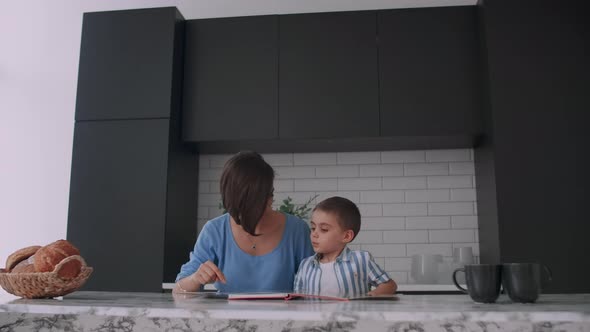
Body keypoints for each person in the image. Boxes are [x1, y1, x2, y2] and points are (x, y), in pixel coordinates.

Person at [174, 151, 314, 293]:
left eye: (266, 196)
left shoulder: (296, 230)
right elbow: (178, 290)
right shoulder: (215, 230)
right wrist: (196, 278)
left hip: (282, 315)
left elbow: (314, 284)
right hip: (228, 315)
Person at [294, 196, 397, 297]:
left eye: (324, 229)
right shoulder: (305, 265)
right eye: (313, 227)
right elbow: (297, 297)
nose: (314, 234)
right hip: (314, 314)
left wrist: (372, 296)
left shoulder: (361, 260)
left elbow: (389, 285)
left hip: (351, 314)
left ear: (346, 236)